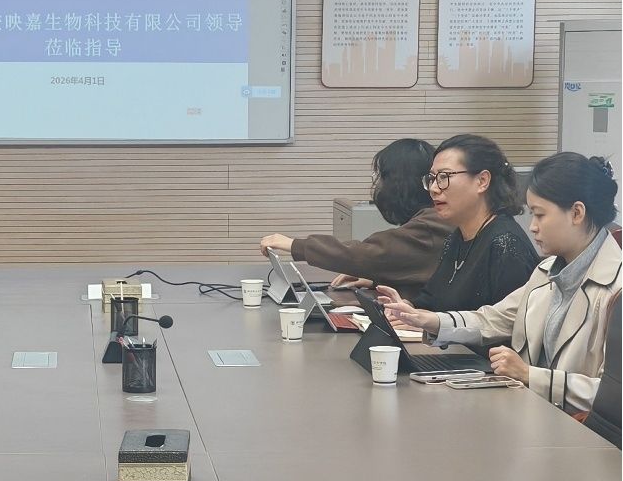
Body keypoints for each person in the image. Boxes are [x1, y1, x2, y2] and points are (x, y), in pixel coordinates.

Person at [383, 153, 621, 414]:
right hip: (532, 414)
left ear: (576, 213)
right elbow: (494, 319)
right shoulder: (548, 272)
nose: (532, 227)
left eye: (540, 215)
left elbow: (614, 396)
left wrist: (529, 375)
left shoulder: (616, 289)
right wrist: (429, 320)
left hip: (579, 432)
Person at [259, 138, 453, 300]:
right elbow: (415, 272)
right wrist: (376, 280)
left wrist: (295, 245)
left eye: (382, 177)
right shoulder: (430, 218)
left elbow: (368, 253)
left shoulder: (432, 223)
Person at [401, 134, 538, 312]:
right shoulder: (457, 237)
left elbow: (508, 323)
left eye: (444, 177)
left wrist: (427, 320)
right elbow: (431, 302)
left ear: (482, 181)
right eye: (432, 178)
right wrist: (406, 309)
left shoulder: (506, 245)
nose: (434, 188)